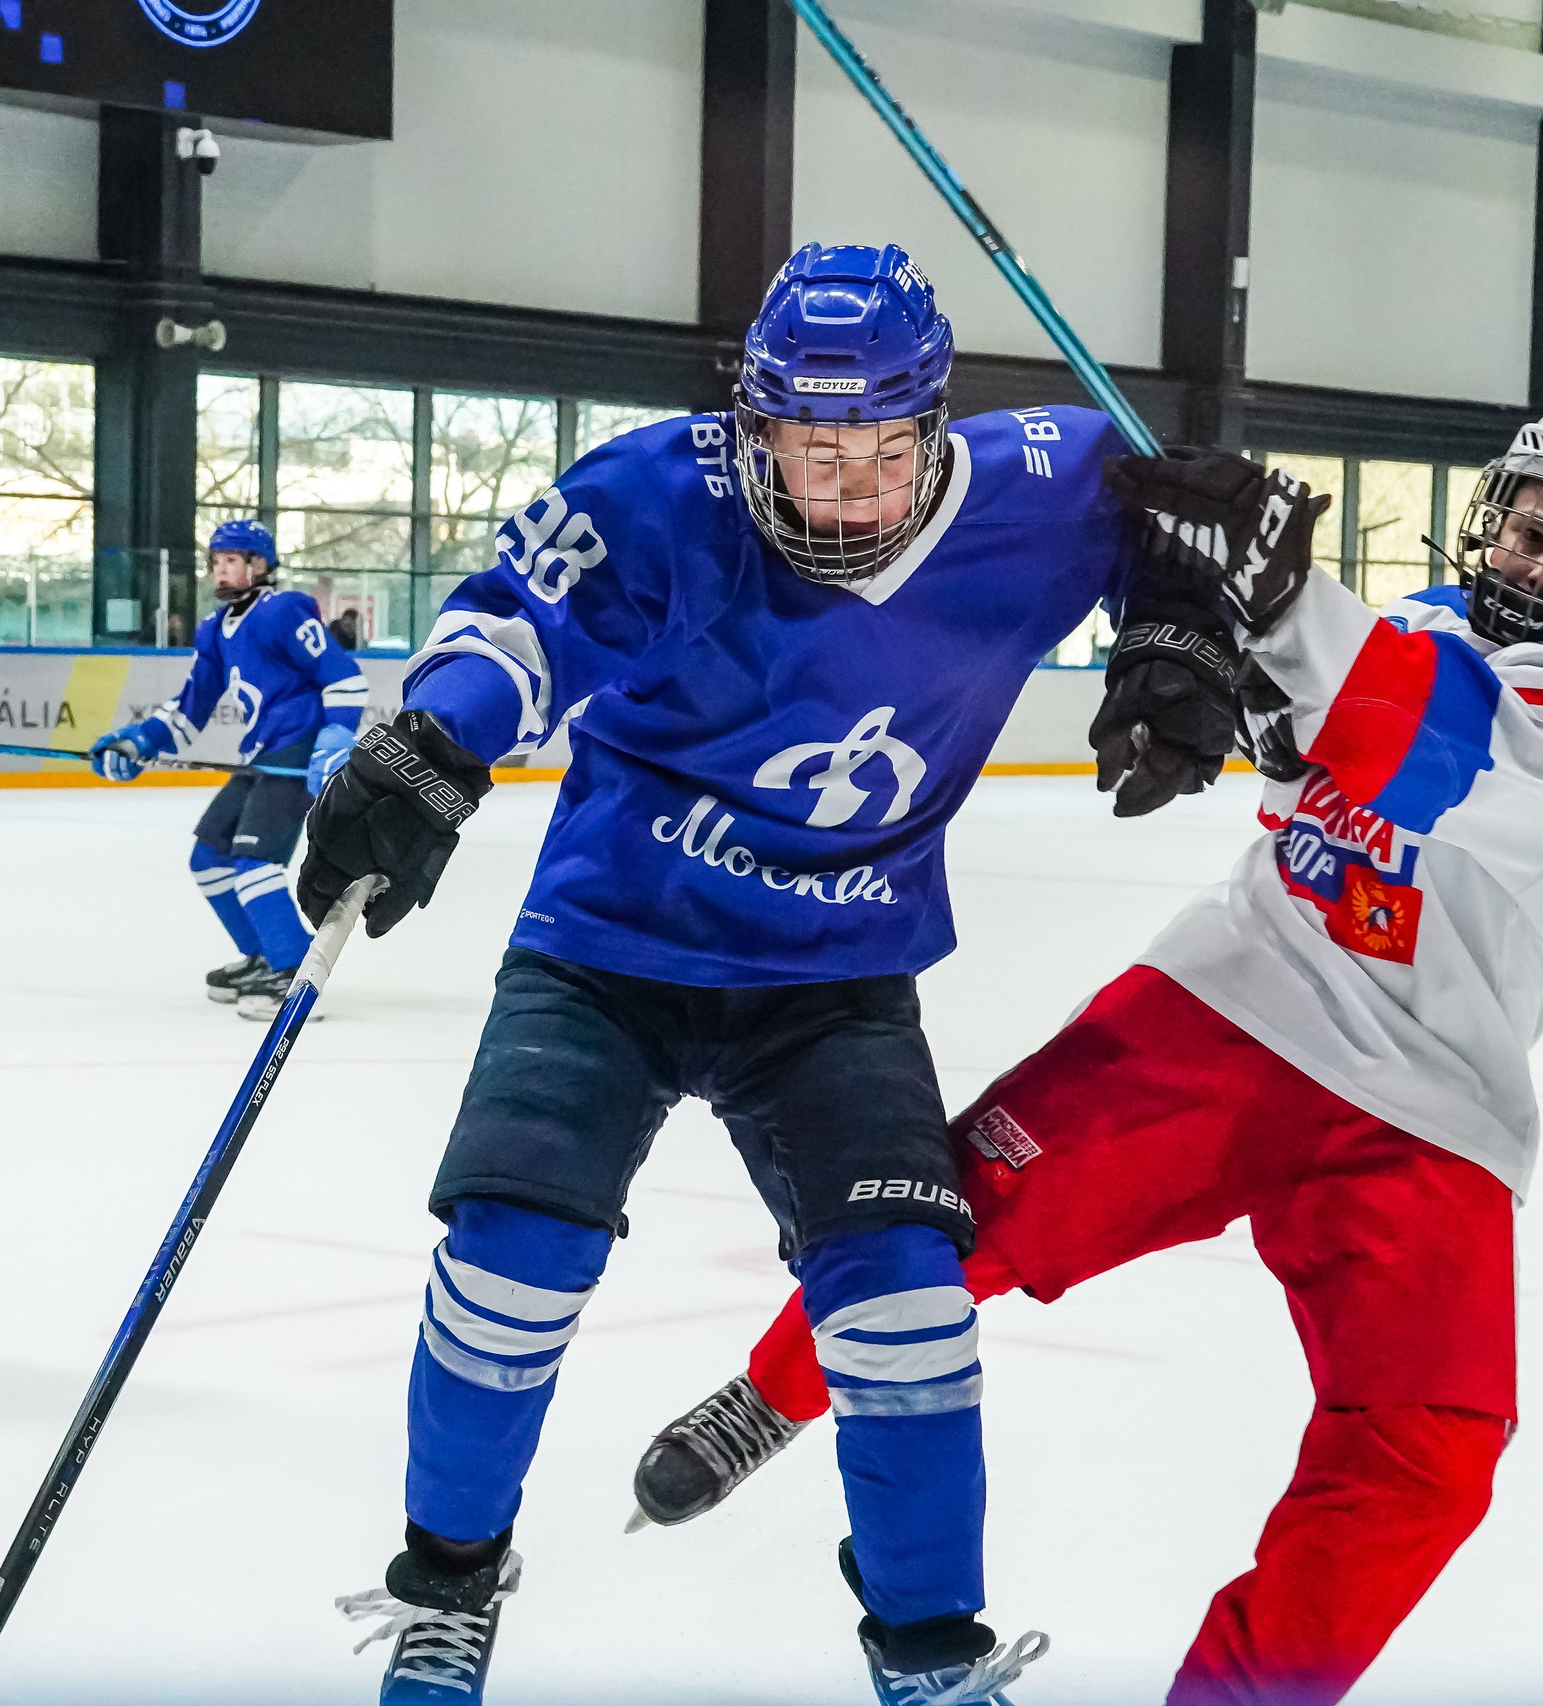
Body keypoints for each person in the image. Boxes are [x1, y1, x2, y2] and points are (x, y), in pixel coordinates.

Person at [625, 398, 1543, 1706]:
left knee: (1433, 1449)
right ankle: (775, 1390)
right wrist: (1204, 641)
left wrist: (1271, 579)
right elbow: (1302, 741)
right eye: (1536, 530)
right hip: (1236, 999)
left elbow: (1430, 739)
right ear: (1493, 522)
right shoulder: (1413, 621)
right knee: (949, 1212)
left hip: (1432, 1102)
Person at [301, 244, 1241, 1705]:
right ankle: (449, 1586)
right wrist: (433, 743)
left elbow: (1177, 527)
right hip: (609, 947)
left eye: (882, 452)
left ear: (935, 429)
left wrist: (1180, 625)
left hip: (835, 975)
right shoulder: (659, 494)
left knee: (908, 1311)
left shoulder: (1044, 482)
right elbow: (514, 620)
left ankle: (931, 1653)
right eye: (814, 453)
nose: (851, 490)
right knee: (506, 1262)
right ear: (756, 431)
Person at [86, 518, 369, 1018]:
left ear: (259, 565)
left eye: (231, 561)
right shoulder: (215, 631)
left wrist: (336, 735)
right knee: (208, 858)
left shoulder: (283, 612)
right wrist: (138, 742)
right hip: (260, 755)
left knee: (255, 864)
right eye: (216, 562)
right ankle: (262, 955)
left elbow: (343, 675)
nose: (221, 571)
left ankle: (294, 971)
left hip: (295, 755)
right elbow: (190, 708)